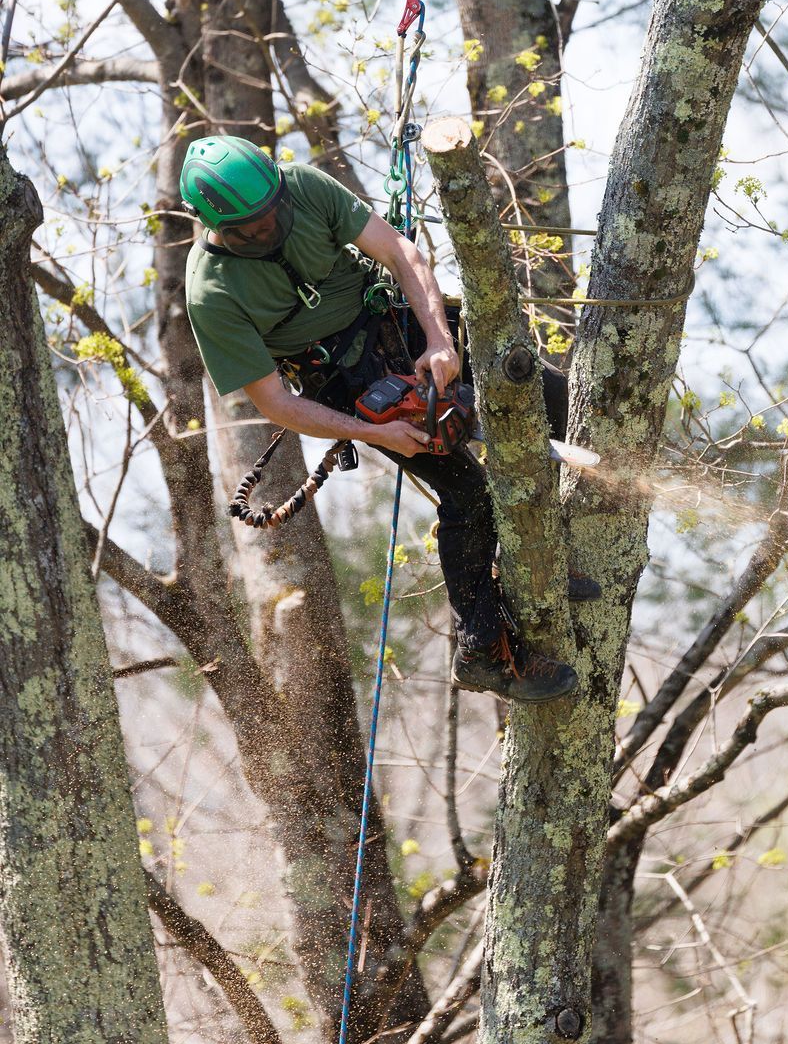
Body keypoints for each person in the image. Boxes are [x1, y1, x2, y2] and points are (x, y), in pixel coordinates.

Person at [181, 134, 583, 703]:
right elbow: (274, 402)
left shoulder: (301, 186)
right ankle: (484, 650)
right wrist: (374, 432)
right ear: (215, 223)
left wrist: (440, 341)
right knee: (468, 492)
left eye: (274, 211)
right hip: (344, 381)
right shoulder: (212, 293)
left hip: (395, 320)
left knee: (549, 396)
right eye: (254, 226)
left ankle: (552, 554)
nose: (272, 226)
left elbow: (402, 254)